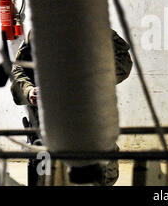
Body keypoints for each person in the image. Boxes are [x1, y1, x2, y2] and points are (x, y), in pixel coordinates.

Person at [10, 29, 133, 186]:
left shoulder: (92, 24)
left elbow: (124, 61)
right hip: (47, 129)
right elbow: (18, 70)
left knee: (97, 178)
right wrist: (29, 92)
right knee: (45, 179)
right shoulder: (39, 31)